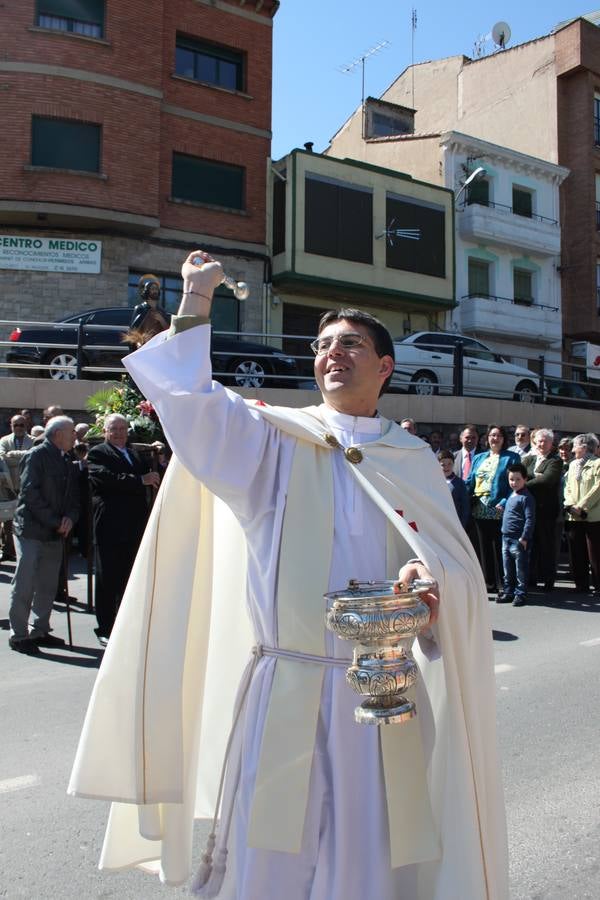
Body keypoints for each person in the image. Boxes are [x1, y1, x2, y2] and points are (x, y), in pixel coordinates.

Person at [69, 252, 508, 899]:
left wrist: (429, 575)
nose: (333, 354)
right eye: (324, 344)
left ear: (384, 366)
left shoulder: (411, 459)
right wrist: (195, 301)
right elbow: (193, 407)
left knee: (371, 855)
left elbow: (458, 572)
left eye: (351, 344)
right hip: (289, 688)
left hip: (381, 694)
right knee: (273, 860)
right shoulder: (275, 442)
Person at [8, 416, 79, 654]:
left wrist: (70, 517)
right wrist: (56, 521)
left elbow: (73, 496)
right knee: (25, 582)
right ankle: (19, 635)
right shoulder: (36, 456)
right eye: (71, 432)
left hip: (54, 532)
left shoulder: (68, 459)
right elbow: (29, 494)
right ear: (58, 434)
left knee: (48, 584)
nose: (74, 437)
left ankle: (40, 630)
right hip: (30, 530)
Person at [87, 413, 159, 645]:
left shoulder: (134, 454)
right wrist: (140, 480)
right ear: (105, 432)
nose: (118, 433)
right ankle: (105, 628)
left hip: (134, 525)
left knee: (129, 577)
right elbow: (105, 478)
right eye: (113, 429)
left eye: (122, 428)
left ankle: (125, 623)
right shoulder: (98, 453)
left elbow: (151, 474)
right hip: (110, 525)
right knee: (108, 578)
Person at [465, 425, 520, 592]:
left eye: (498, 436)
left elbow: (515, 483)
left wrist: (504, 502)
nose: (494, 438)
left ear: (504, 439)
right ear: (487, 438)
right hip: (479, 507)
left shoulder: (511, 457)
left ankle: (505, 584)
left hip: (499, 507)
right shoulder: (479, 457)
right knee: (483, 547)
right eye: (492, 435)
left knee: (500, 548)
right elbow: (469, 481)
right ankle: (488, 583)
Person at [522, 429, 562, 592]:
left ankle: (548, 580)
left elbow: (548, 480)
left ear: (551, 444)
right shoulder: (529, 459)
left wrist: (525, 483)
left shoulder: (555, 461)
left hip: (546, 511)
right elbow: (518, 474)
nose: (541, 444)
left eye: (545, 441)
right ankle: (531, 578)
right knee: (530, 545)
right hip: (529, 510)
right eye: (539, 441)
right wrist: (535, 476)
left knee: (546, 546)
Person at [564, 433, 600, 597]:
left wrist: (582, 506)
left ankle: (598, 586)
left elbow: (597, 489)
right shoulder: (572, 465)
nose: (572, 449)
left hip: (592, 516)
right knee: (577, 552)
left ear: (584, 447)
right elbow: (567, 487)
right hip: (573, 515)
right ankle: (581, 585)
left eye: (575, 445)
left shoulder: (598, 464)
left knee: (595, 554)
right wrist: (571, 505)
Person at [497, 463, 535, 607]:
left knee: (521, 569)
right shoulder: (511, 494)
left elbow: (530, 519)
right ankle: (508, 591)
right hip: (505, 537)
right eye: (511, 479)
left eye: (518, 479)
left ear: (525, 479)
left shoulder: (526, 497)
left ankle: (521, 593)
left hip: (519, 539)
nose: (514, 482)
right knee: (507, 568)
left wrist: (525, 537)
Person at [129, 274, 171, 343]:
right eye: (152, 289)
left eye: (156, 289)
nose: (155, 291)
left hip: (158, 344)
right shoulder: (141, 308)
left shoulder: (161, 311)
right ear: (147, 291)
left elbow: (168, 331)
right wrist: (140, 340)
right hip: (145, 344)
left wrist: (161, 320)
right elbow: (133, 331)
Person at [438, 449, 470, 528]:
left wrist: (461, 527)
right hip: (438, 523)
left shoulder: (459, 483)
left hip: (454, 524)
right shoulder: (434, 482)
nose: (446, 467)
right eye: (443, 464)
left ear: (453, 464)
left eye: (449, 464)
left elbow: (465, 508)